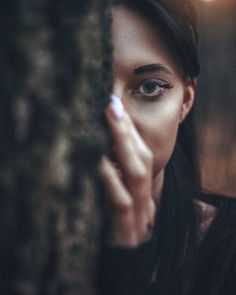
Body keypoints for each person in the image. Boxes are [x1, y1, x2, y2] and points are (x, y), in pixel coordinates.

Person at [97, 0, 236, 294]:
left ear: (185, 101)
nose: (115, 123)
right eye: (91, 88)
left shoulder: (227, 247)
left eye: (149, 87)